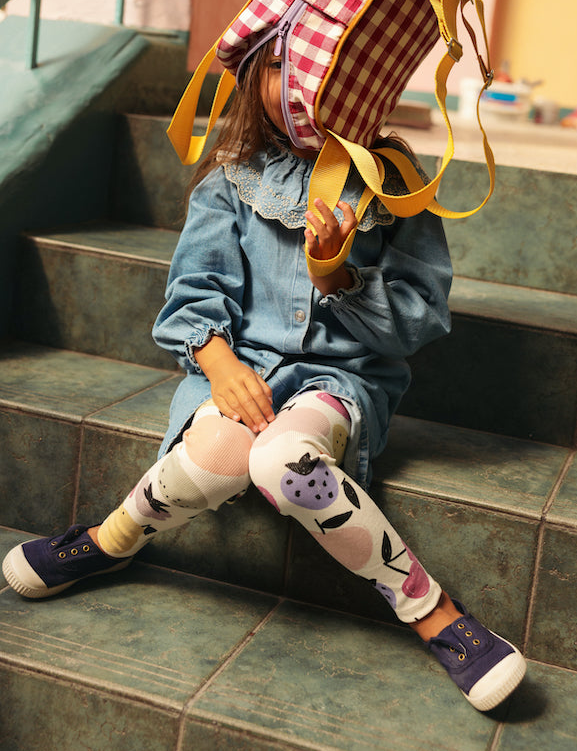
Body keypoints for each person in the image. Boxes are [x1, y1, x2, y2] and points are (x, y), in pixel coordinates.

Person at [2, 36, 526, 712]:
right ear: (253, 77)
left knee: (282, 462)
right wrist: (217, 362)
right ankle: (111, 541)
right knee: (218, 455)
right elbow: (195, 288)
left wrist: (334, 272)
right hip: (238, 365)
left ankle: (431, 611)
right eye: (279, 65)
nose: (298, 83)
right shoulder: (234, 174)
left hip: (340, 377)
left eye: (325, 65)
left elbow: (416, 323)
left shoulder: (395, 184)